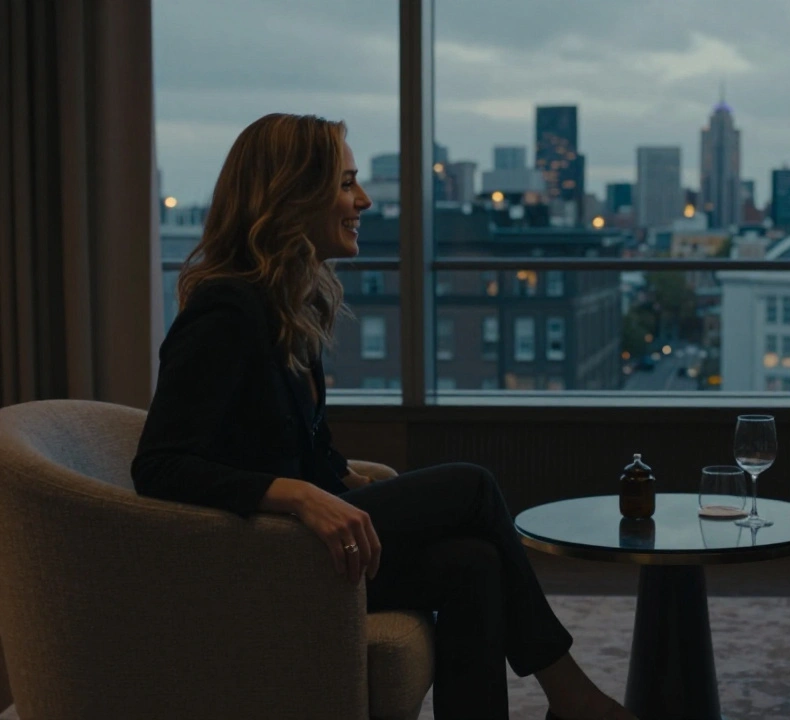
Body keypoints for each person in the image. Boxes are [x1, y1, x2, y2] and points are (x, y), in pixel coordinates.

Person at [132, 113, 634, 720]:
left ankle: (559, 698)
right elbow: (158, 467)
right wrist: (291, 494)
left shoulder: (288, 301)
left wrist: (341, 482)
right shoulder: (225, 312)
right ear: (293, 195)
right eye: (346, 184)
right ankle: (569, 691)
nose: (364, 201)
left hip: (302, 544)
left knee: (472, 565)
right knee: (472, 485)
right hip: (258, 556)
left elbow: (299, 443)